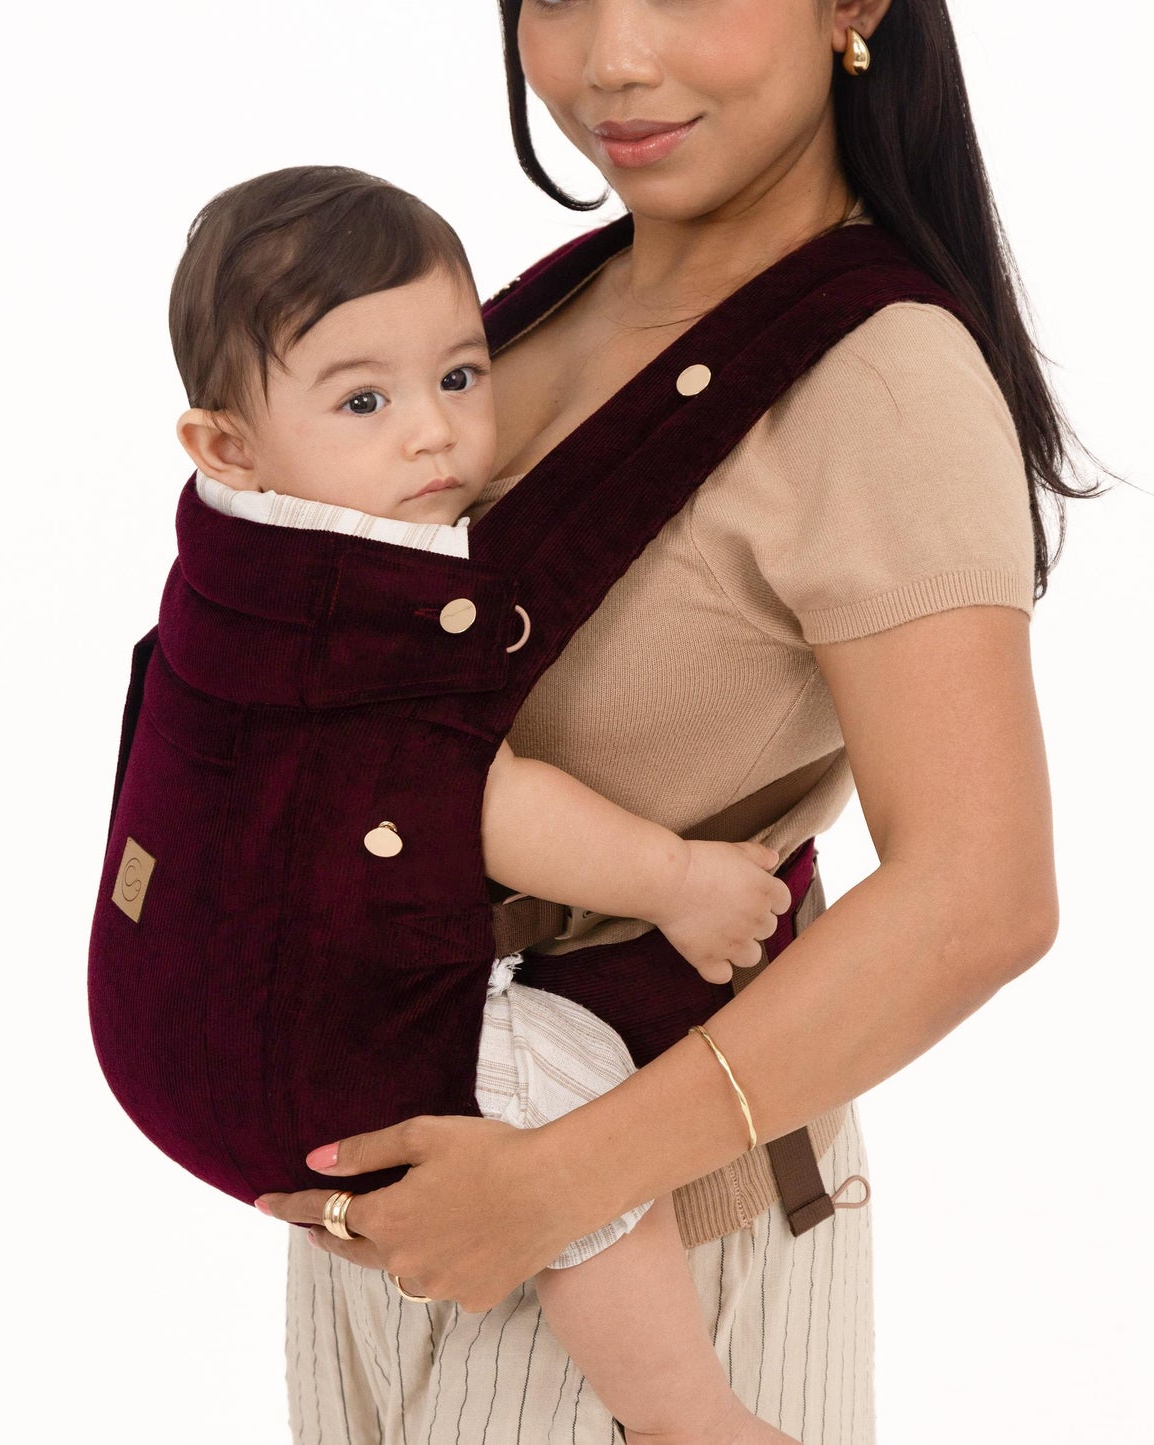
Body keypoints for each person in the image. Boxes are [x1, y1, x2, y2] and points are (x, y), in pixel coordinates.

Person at [261, 1, 1088, 1440]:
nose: (610, 61)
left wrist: (559, 1183)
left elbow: (982, 896)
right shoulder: (536, 313)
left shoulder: (877, 380)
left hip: (645, 1240)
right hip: (420, 1204)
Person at [93, 163, 812, 1444]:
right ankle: (689, 1415)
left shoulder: (242, 543)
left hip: (175, 1024)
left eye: (460, 376)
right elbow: (464, 799)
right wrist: (675, 881)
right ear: (224, 443)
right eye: (363, 399)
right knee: (588, 1116)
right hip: (315, 1040)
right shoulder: (343, 590)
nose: (430, 432)